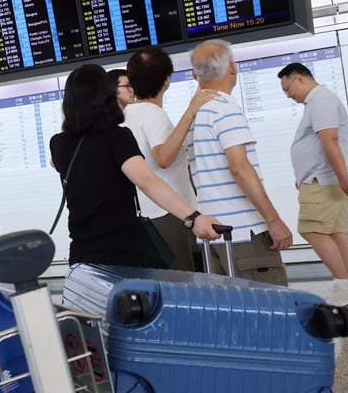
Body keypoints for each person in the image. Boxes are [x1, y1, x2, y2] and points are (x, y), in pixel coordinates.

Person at [49, 64, 221, 267]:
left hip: (81, 255)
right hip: (121, 253)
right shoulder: (116, 137)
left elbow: (60, 164)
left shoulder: (58, 143)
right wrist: (193, 217)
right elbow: (147, 182)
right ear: (104, 96)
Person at [186, 39, 292, 285]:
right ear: (233, 68)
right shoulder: (225, 108)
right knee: (270, 312)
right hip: (244, 233)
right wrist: (273, 221)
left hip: (214, 234)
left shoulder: (195, 113)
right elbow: (240, 168)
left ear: (194, 75)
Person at [278, 62, 348, 306]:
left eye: (288, 89)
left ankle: (344, 285)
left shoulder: (320, 100)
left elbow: (330, 141)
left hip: (325, 179)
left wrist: (340, 177)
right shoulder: (319, 101)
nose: (288, 95)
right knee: (338, 232)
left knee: (311, 230)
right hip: (324, 178)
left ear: (300, 79)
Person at [125, 47, 217, 270]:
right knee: (181, 282)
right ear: (166, 81)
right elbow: (163, 158)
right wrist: (190, 112)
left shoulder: (126, 114)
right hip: (167, 214)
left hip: (146, 213)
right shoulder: (152, 113)